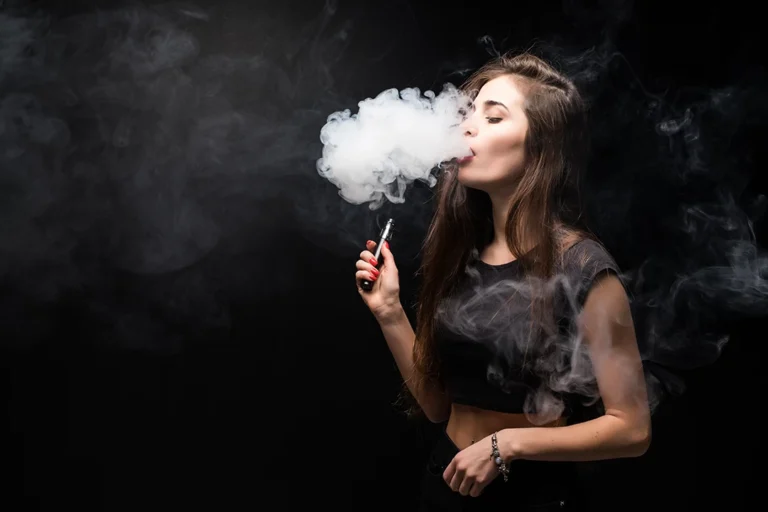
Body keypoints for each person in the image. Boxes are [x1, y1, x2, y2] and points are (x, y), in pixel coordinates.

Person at [355, 52, 651, 511]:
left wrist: (507, 445)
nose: (466, 128)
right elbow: (437, 406)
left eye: (493, 118)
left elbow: (631, 429)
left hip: (532, 496)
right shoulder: (461, 255)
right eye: (468, 114)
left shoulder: (584, 268)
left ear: (541, 147)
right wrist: (390, 312)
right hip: (446, 484)